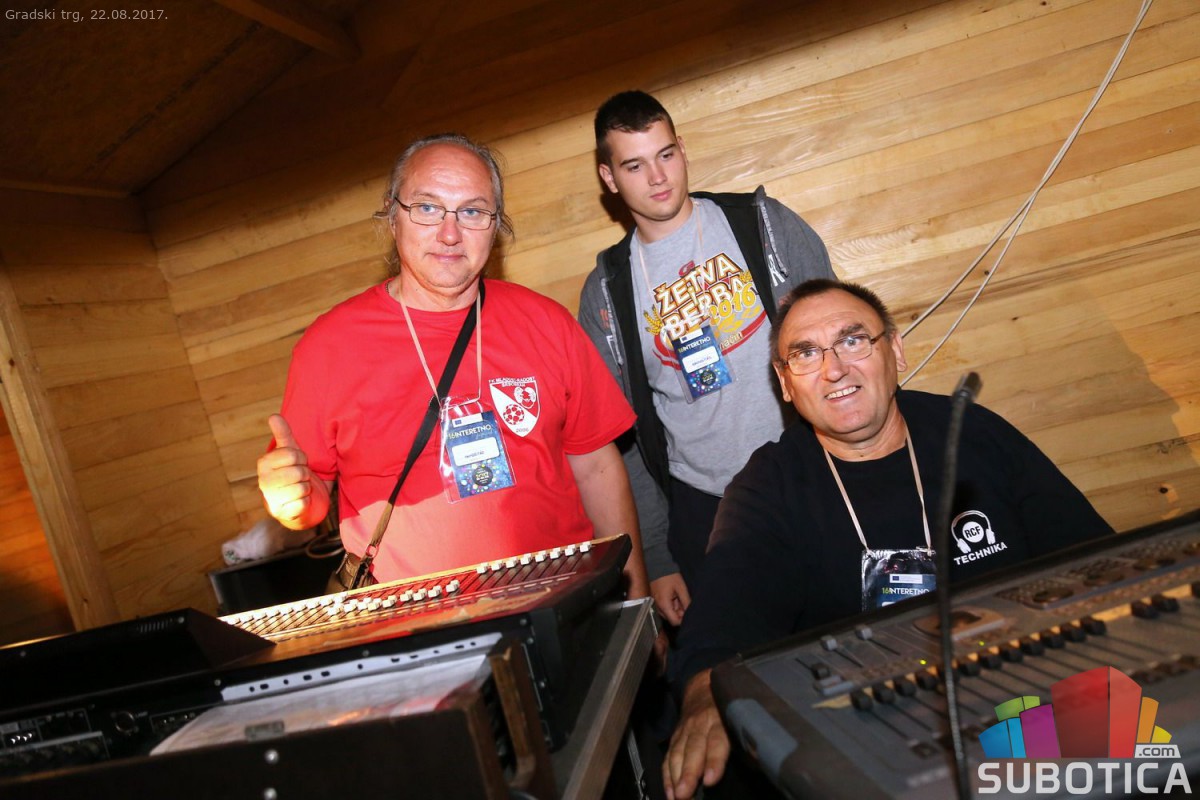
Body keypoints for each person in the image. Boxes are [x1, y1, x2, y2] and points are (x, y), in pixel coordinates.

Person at [663, 278, 1113, 799]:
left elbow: (1092, 556)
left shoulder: (971, 430)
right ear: (785, 383)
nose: (834, 369)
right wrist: (705, 695)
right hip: (877, 739)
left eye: (853, 340)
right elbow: (723, 619)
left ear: (895, 351)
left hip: (1029, 699)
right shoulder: (767, 487)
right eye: (805, 354)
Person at [256, 133, 650, 600]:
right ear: (392, 216)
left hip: (567, 600)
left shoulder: (546, 322)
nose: (449, 233)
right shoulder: (328, 347)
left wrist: (638, 599)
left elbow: (597, 469)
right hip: (416, 624)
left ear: (496, 225)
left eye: (472, 212)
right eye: (427, 208)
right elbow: (311, 493)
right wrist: (293, 503)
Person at [578, 90, 834, 627]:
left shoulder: (761, 224)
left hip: (810, 476)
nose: (657, 177)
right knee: (739, 662)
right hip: (706, 511)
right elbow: (620, 440)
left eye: (666, 154)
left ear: (683, 149)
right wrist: (658, 556)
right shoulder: (607, 291)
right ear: (609, 178)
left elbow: (842, 340)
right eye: (634, 165)